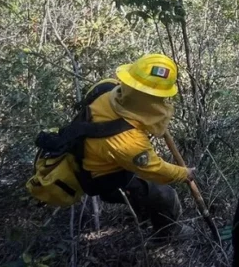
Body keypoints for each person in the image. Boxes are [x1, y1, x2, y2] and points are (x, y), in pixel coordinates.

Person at [79, 53, 195, 240]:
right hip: (103, 176)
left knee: (147, 190)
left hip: (104, 155)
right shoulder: (129, 142)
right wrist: (184, 173)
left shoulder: (105, 88)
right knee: (163, 194)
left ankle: (142, 211)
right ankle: (167, 234)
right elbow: (155, 169)